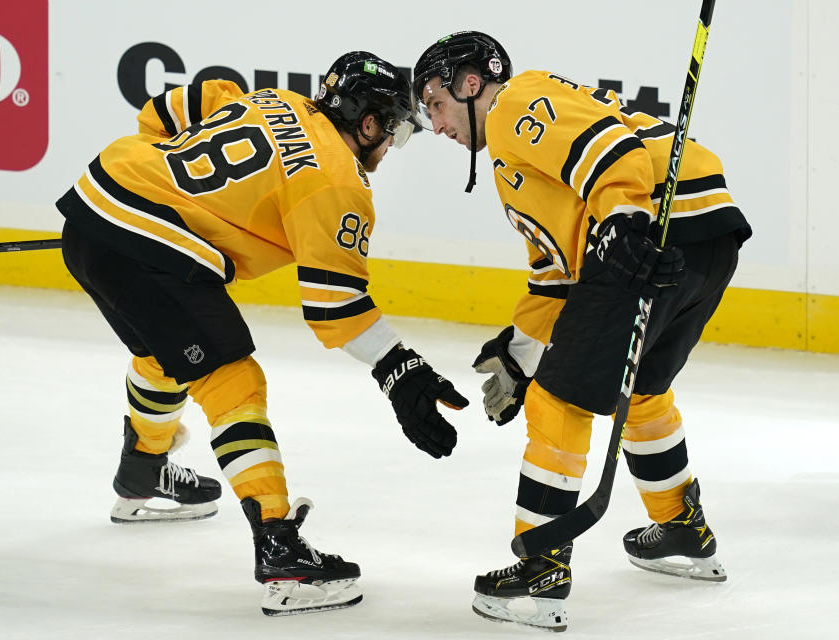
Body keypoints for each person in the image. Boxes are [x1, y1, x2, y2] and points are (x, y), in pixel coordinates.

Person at [55, 51, 469, 616]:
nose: (389, 147)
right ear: (368, 122)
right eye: (392, 131)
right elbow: (334, 305)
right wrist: (398, 367)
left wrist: (164, 194)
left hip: (93, 207)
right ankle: (280, 550)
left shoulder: (273, 98)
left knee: (169, 353)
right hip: (147, 246)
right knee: (233, 382)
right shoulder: (336, 183)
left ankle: (141, 474)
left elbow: (161, 116)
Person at [413, 31, 751, 631]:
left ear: (471, 85)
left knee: (559, 402)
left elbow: (611, 150)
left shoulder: (516, 101)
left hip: (652, 230)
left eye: (436, 103)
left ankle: (540, 571)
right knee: (643, 389)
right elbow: (557, 274)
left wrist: (622, 224)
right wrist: (520, 354)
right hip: (706, 236)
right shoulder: (511, 164)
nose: (437, 125)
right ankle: (680, 526)